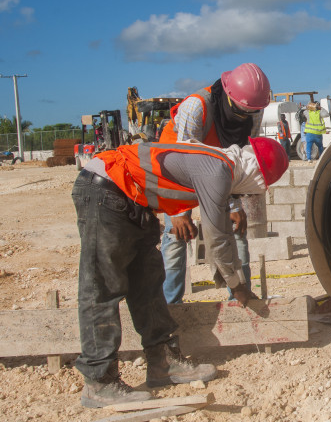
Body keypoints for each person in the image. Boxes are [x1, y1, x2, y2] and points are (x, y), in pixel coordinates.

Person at [72, 137, 289, 408]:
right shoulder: (218, 171)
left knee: (148, 282)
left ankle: (162, 362)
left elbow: (222, 231)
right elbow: (217, 239)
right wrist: (236, 286)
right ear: (256, 175)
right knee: (103, 286)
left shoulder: (222, 168)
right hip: (105, 189)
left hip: (131, 198)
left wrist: (236, 283)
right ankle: (99, 381)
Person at [158, 63, 271, 304]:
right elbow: (183, 161)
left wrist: (234, 206)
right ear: (228, 96)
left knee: (236, 231)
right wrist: (179, 213)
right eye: (242, 111)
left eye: (251, 112)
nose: (246, 117)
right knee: (176, 236)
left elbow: (240, 163)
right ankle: (170, 306)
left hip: (218, 170)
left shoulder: (254, 109)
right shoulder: (195, 107)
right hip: (175, 169)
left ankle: (241, 302)